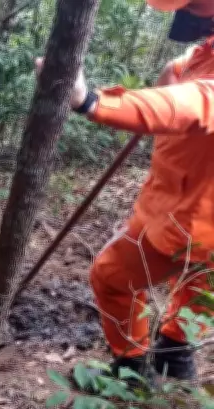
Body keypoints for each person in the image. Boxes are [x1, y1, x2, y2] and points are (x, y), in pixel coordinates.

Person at [37, 0, 214, 381]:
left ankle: (132, 368)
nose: (187, 18)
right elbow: (194, 76)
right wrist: (179, 68)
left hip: (190, 222)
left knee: (113, 277)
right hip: (186, 205)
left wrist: (92, 102)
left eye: (195, 8)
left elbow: (193, 101)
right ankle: (176, 355)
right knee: (200, 287)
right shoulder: (204, 51)